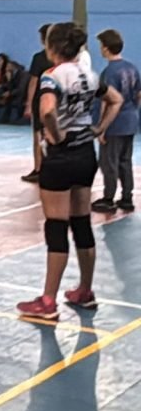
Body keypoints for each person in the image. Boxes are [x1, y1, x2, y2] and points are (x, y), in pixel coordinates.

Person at [17, 23, 122, 320]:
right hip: (85, 153)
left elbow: (47, 110)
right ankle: (85, 291)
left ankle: (48, 301)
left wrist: (55, 135)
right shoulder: (89, 75)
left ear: (52, 47)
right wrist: (99, 128)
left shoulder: (52, 76)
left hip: (60, 157)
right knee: (81, 222)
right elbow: (116, 99)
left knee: (56, 226)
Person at [92, 29, 141, 214]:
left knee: (108, 162)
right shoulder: (132, 68)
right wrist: (133, 110)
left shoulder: (109, 72)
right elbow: (139, 93)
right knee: (125, 160)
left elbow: (107, 101)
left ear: (105, 48)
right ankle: (127, 197)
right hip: (130, 120)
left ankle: (108, 198)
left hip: (115, 123)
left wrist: (101, 128)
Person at [22, 24, 53, 183]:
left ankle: (39, 169)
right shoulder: (62, 58)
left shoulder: (39, 58)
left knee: (38, 136)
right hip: (57, 101)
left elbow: (33, 82)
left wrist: (28, 104)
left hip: (40, 101)